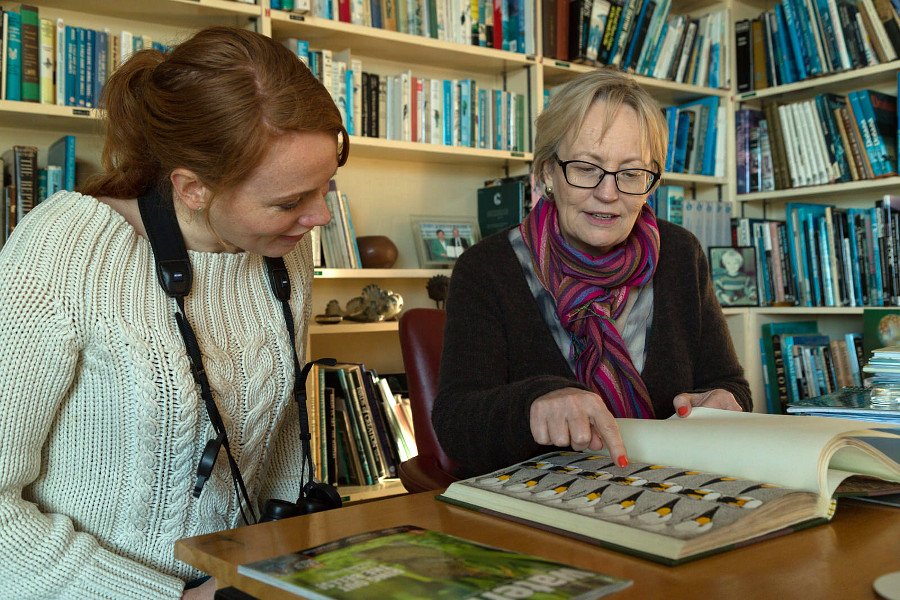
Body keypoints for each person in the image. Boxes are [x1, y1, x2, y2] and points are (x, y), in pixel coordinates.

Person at [0, 26, 348, 600]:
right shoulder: (66, 247)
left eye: (325, 187)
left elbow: (282, 442)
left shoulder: (284, 249)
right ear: (192, 189)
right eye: (289, 201)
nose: (320, 217)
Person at [432, 69, 751, 479]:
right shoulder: (487, 268)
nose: (608, 193)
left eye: (632, 173)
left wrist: (725, 401)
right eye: (586, 168)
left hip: (671, 489)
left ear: (651, 182)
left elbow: (732, 386)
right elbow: (455, 423)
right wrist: (535, 402)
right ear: (547, 172)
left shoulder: (680, 255)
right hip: (541, 503)